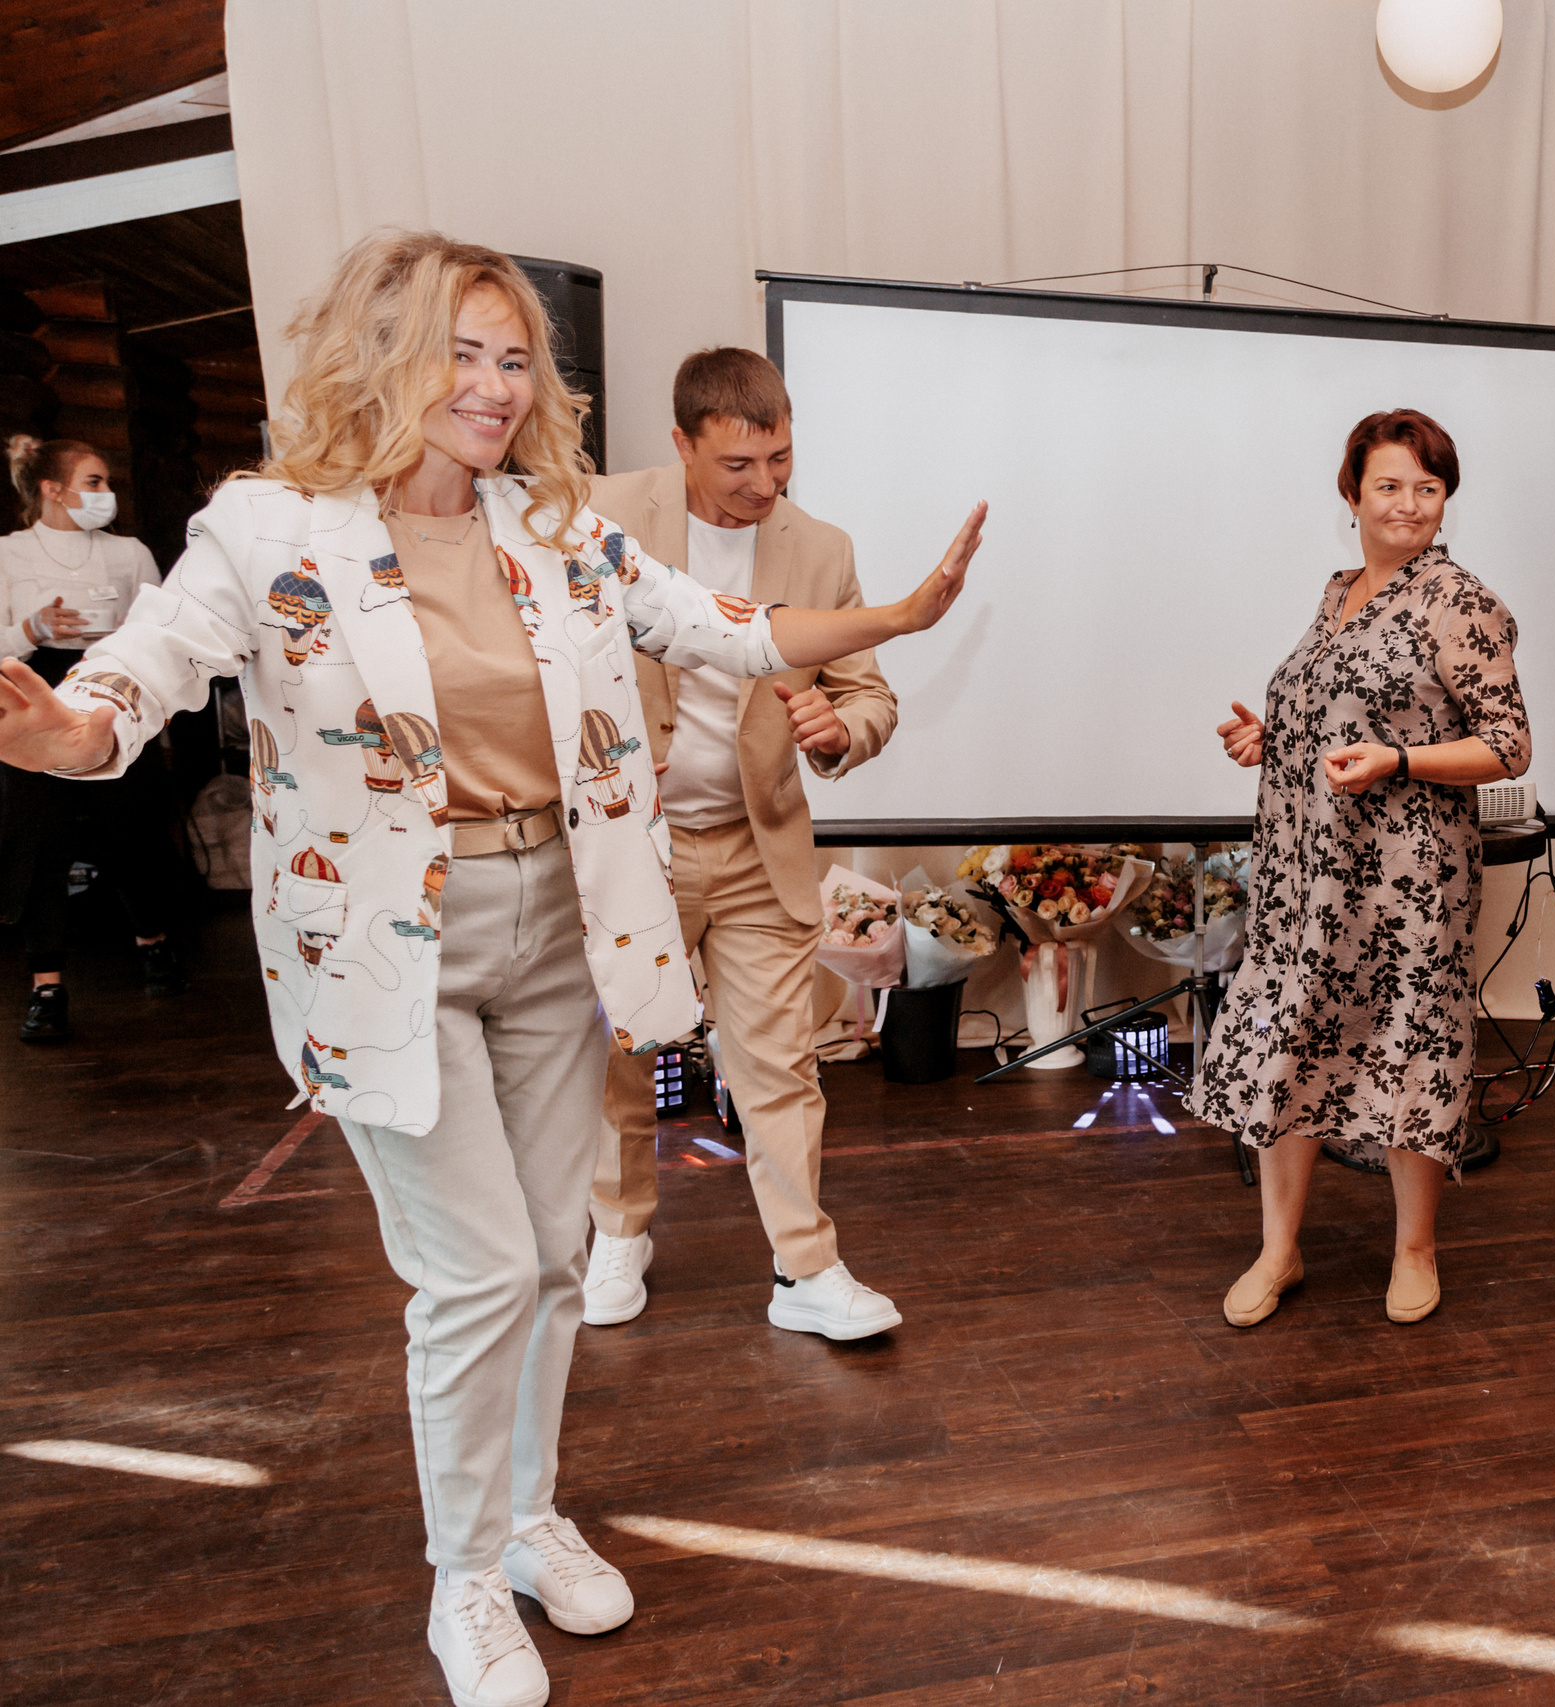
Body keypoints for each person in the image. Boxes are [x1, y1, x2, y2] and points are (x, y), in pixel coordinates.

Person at [0, 231, 984, 1707]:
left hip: (558, 921)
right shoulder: (269, 526)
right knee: (474, 1270)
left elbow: (722, 625)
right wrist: (75, 732)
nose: (492, 383)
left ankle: (526, 1517)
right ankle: (462, 1569)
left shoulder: (557, 522)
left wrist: (894, 618)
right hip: (390, 934)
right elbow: (151, 665)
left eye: (513, 356)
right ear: (384, 357)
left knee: (549, 1257)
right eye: (460, 351)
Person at [582, 348, 902, 1340]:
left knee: (779, 1066)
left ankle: (805, 1271)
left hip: (759, 846)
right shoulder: (595, 517)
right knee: (619, 1060)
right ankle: (618, 1235)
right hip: (634, 854)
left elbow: (867, 691)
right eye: (738, 466)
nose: (766, 484)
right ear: (681, 444)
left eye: (782, 459)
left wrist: (839, 730)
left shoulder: (820, 548)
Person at [1194, 408, 1529, 1329]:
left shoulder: (1461, 601)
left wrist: (1400, 761)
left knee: (1412, 1044)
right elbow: (1340, 712)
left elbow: (1508, 745)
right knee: (1290, 1037)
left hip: (1408, 886)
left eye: (1428, 487)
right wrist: (1272, 738)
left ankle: (1415, 1248)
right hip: (1308, 879)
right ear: (1353, 495)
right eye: (1389, 484)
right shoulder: (1338, 590)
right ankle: (1280, 1250)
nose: (1409, 503)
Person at [3, 436, 186, 1037]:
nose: (106, 494)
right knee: (40, 841)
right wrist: (29, 628)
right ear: (52, 489)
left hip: (112, 689)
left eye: (107, 483)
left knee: (128, 830)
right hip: (33, 691)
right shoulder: (7, 553)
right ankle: (46, 986)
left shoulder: (130, 552)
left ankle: (154, 943)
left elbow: (163, 634)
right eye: (93, 482)